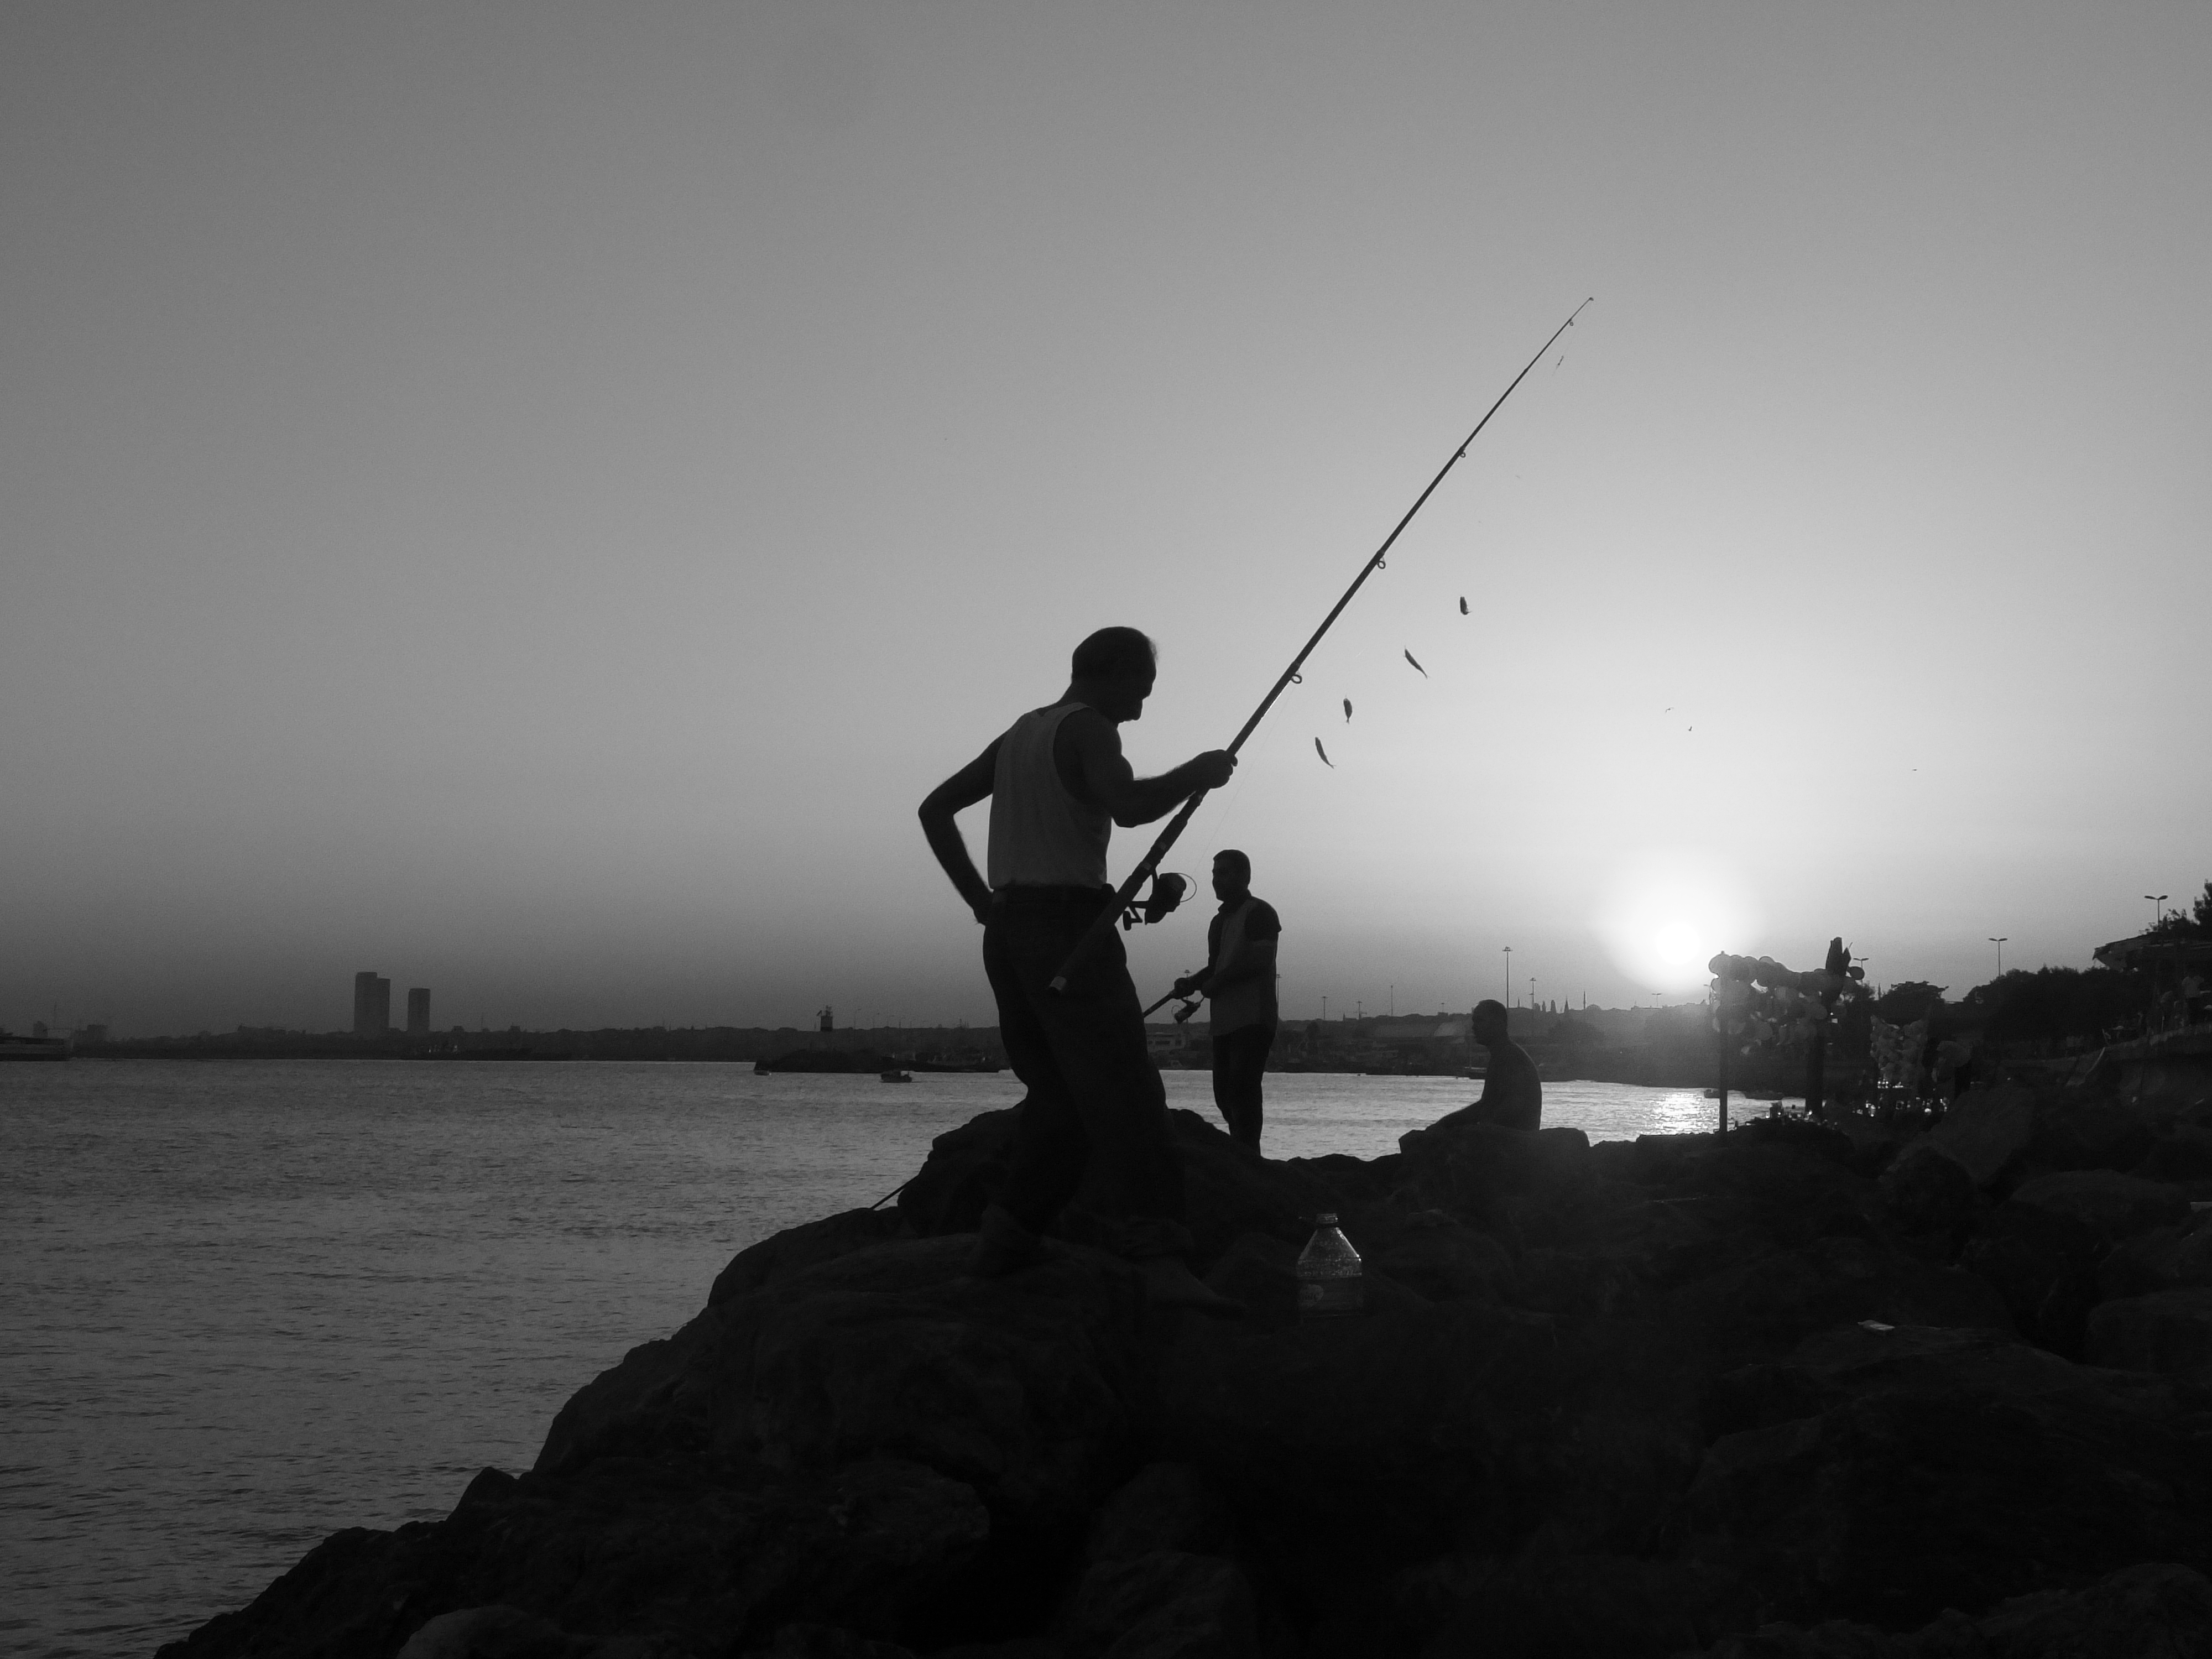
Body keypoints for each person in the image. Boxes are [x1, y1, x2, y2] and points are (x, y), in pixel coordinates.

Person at [917, 626, 1238, 1310]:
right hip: (1068, 929)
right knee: (1125, 1095)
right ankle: (1161, 1262)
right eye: (1142, 690)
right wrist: (1198, 773)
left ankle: (1001, 1247)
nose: (1143, 707)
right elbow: (1128, 809)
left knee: (1061, 1099)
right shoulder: (1091, 730)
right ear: (1115, 673)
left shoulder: (1020, 735)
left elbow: (934, 808)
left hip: (1008, 937)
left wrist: (983, 903)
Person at [1171, 850, 1280, 1149]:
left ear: (1245, 877)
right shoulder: (1218, 922)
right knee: (1224, 1096)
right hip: (1223, 1023)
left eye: (1224, 873)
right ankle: (1242, 1152)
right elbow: (1216, 966)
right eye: (1215, 873)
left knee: (1242, 1091)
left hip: (1254, 1018)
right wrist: (1191, 983)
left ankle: (1248, 1158)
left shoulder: (1260, 912)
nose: (1216, 880)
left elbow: (1261, 959)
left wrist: (1219, 980)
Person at [1421, 999, 1541, 1134]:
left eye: (1480, 1021)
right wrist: (1448, 1123)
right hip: (1510, 1139)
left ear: (1498, 1024)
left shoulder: (1508, 1058)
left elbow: (1512, 1106)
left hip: (1513, 1143)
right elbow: (1486, 1106)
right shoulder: (1505, 1055)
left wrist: (1452, 1125)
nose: (1474, 1027)